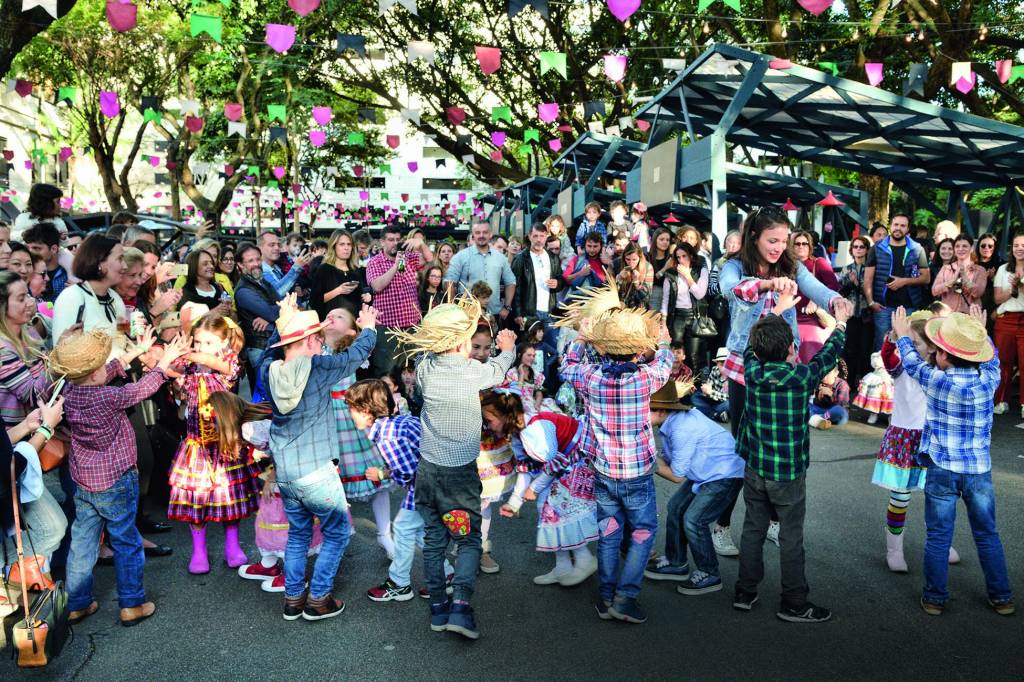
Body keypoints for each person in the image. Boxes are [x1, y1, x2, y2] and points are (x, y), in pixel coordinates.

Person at [717, 207, 845, 560]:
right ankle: (721, 523)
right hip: (746, 369)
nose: (778, 247)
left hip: (784, 366)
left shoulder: (791, 265)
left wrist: (835, 300)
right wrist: (768, 285)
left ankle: (773, 520)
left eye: (784, 240)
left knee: (781, 443)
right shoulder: (734, 265)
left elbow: (816, 288)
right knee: (743, 450)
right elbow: (730, 290)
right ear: (754, 236)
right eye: (772, 240)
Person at [391, 296, 516, 640]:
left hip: (428, 473)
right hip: (460, 476)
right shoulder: (472, 372)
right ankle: (460, 605)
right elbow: (499, 368)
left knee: (433, 540)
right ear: (462, 341)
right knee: (468, 539)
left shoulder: (426, 369)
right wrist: (507, 347)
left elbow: (429, 354)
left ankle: (438, 609)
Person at [53, 327, 189, 627]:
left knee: (83, 542)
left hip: (85, 481)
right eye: (102, 364)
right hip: (116, 479)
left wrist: (136, 352)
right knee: (126, 540)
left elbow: (105, 373)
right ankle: (132, 603)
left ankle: (77, 602)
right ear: (93, 374)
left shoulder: (70, 391)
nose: (107, 366)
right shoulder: (108, 397)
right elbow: (140, 390)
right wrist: (163, 364)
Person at [258, 293, 378, 622]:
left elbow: (276, 346)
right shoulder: (318, 368)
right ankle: (319, 598)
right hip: (316, 471)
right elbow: (356, 355)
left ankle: (294, 598)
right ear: (311, 340)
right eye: (318, 338)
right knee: (337, 532)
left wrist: (282, 322)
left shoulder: (268, 369)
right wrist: (368, 328)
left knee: (297, 533)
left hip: (286, 472)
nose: (321, 344)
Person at [733, 290, 850, 623]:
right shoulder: (802, 378)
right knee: (790, 537)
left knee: (753, 529)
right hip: (788, 475)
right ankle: (794, 602)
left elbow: (747, 343)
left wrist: (777, 308)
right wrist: (840, 324)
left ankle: (745, 591)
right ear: (791, 349)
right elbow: (828, 355)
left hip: (755, 468)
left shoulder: (752, 372)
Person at [890, 307, 1013, 617]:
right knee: (987, 534)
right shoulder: (988, 381)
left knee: (938, 535)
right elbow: (993, 360)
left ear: (943, 356)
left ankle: (934, 598)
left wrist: (904, 337)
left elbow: (913, 363)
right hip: (978, 471)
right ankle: (1002, 597)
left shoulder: (937, 380)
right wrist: (981, 334)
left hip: (942, 468)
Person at [560, 302, 673, 625]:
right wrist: (662, 339)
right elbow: (666, 360)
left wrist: (581, 338)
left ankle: (606, 596)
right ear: (637, 349)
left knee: (609, 532)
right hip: (637, 473)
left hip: (604, 470)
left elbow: (567, 365)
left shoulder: (590, 376)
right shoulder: (644, 379)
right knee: (642, 531)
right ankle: (626, 598)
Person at [166, 313, 254, 574]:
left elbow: (222, 367)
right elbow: (173, 377)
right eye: (199, 343)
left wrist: (193, 355)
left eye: (208, 342)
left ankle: (232, 546)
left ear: (224, 342)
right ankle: (199, 551)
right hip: (196, 444)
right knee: (197, 499)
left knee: (230, 498)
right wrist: (170, 367)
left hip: (225, 444)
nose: (202, 348)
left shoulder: (229, 361)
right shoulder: (189, 367)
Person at [873, 308, 958, 573]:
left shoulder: (940, 372)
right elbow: (888, 357)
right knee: (900, 498)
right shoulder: (901, 369)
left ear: (933, 347)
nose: (911, 346)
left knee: (938, 498)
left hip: (932, 442)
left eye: (917, 342)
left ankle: (941, 544)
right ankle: (894, 550)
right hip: (904, 441)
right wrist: (892, 338)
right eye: (908, 342)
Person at [487, 390, 599, 587]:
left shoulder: (532, 431)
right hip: (563, 463)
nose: (487, 425)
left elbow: (553, 463)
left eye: (489, 420)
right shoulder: (518, 433)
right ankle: (563, 566)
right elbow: (527, 469)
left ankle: (584, 559)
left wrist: (535, 488)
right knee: (547, 509)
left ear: (504, 416)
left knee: (555, 508)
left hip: (576, 459)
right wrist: (514, 503)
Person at [645, 380, 743, 595]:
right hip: (707, 472)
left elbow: (677, 476)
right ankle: (676, 562)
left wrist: (645, 458)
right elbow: (671, 462)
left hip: (724, 474)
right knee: (676, 507)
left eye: (644, 410)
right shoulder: (670, 422)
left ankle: (710, 574)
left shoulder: (681, 428)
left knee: (694, 520)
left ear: (660, 410)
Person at [348, 379, 433, 603]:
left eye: (352, 409)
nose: (350, 414)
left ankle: (400, 584)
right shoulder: (396, 423)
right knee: (419, 532)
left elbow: (408, 472)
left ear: (366, 413)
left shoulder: (388, 437)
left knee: (404, 528)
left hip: (425, 487)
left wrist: (383, 474)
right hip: (434, 483)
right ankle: (446, 575)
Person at [323, 307, 395, 559]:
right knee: (330, 487)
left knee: (376, 477)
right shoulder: (312, 348)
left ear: (352, 331)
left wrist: (368, 328)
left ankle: (385, 533)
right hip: (324, 425)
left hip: (352, 420)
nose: (332, 317)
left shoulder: (352, 351)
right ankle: (336, 538)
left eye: (340, 316)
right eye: (330, 314)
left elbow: (374, 356)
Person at [366, 225, 432, 377]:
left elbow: (429, 259)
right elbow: (377, 286)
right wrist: (396, 266)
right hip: (387, 327)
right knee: (386, 371)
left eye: (397, 239)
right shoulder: (375, 262)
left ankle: (409, 400)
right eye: (390, 240)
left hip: (411, 325)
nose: (395, 243)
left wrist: (421, 244)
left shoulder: (407, 257)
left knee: (413, 370)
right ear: (382, 242)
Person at [863, 213, 931, 350]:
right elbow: (867, 279)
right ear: (890, 226)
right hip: (883, 307)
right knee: (881, 346)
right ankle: (880, 371)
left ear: (908, 229)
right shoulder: (877, 248)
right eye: (896, 225)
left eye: (902, 225)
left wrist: (904, 281)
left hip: (909, 307)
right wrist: (871, 302)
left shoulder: (917, 249)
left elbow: (926, 278)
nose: (898, 228)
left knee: (908, 345)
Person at [52, 234, 127, 347]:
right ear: (99, 262)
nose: (125, 266)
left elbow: (123, 341)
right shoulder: (72, 297)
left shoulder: (115, 298)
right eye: (120, 259)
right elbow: (61, 352)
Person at [444, 221, 516, 324]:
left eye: (485, 232)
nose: (481, 235)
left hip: (494, 314)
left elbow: (511, 282)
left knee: (494, 340)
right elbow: (450, 282)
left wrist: (507, 307)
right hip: (467, 315)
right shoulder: (460, 257)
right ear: (473, 235)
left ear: (490, 234)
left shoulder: (500, 258)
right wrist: (453, 308)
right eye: (477, 232)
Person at [791, 230, 840, 363]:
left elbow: (834, 286)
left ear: (810, 246)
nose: (801, 246)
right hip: (790, 320)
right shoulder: (786, 266)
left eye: (805, 243)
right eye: (797, 243)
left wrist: (816, 300)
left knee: (812, 361)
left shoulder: (819, 263)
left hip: (813, 321)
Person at [661, 242, 709, 369]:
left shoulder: (701, 270)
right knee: (675, 352)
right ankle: (675, 382)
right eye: (678, 257)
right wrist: (663, 323)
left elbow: (699, 294)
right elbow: (665, 300)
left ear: (691, 256)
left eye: (684, 256)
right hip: (677, 316)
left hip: (695, 316)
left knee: (693, 355)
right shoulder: (671, 274)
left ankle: (694, 384)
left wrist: (688, 276)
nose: (681, 260)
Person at [992, 234, 1024, 416]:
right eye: (1016, 245)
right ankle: (1001, 400)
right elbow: (997, 298)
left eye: (1023, 245)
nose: (1019, 248)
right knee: (1003, 362)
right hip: (1005, 319)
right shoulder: (1004, 269)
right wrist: (1012, 289)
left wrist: (1020, 285)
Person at [838, 236, 874, 390]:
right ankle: (849, 384)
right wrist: (849, 283)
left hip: (866, 315)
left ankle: (865, 387)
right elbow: (841, 291)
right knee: (849, 349)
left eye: (861, 247)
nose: (858, 249)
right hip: (851, 314)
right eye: (855, 247)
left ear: (867, 249)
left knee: (865, 350)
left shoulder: (871, 268)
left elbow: (870, 291)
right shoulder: (846, 268)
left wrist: (857, 284)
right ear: (851, 250)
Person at [309, 229, 370, 320]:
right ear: (334, 246)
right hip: (330, 325)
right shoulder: (324, 269)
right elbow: (314, 302)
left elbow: (358, 301)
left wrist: (365, 297)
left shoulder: (355, 272)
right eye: (342, 244)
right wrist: (338, 290)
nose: (346, 248)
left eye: (349, 244)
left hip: (353, 325)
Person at [931, 234, 986, 314]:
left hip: (970, 316)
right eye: (957, 246)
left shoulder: (980, 270)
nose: (960, 249)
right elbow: (934, 291)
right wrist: (951, 282)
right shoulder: (946, 268)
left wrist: (965, 278)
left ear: (971, 249)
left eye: (964, 246)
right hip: (948, 315)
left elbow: (978, 292)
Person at [22, 222, 69, 302]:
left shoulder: (68, 274)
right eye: (27, 248)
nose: (30, 252)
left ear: (54, 249)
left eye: (36, 248)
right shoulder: (24, 271)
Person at [259, 232, 311, 299]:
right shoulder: (260, 269)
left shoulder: (278, 265)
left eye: (278, 245)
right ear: (259, 248)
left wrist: (300, 288)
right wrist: (297, 267)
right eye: (272, 245)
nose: (277, 248)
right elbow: (278, 292)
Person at [808, 359, 851, 429]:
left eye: (828, 373)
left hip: (833, 413)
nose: (824, 376)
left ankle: (818, 419)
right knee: (806, 405)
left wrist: (831, 395)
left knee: (839, 411)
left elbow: (842, 405)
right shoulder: (818, 381)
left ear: (836, 373)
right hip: (819, 410)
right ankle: (818, 420)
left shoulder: (842, 385)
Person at [692, 347, 729, 422]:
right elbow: (709, 385)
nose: (724, 368)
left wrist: (711, 392)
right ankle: (715, 414)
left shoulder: (733, 375)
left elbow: (730, 397)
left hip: (724, 402)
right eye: (722, 364)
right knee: (695, 396)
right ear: (717, 364)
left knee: (730, 404)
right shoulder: (715, 370)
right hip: (714, 400)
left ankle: (708, 412)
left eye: (727, 364)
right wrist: (705, 390)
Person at [646, 227, 675, 314]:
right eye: (661, 239)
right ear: (655, 240)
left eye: (667, 240)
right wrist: (665, 268)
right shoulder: (647, 257)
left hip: (670, 297)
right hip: (653, 295)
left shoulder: (671, 258)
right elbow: (652, 280)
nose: (665, 242)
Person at [616, 242, 653, 309]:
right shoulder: (616, 264)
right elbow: (608, 290)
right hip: (620, 310)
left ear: (640, 257)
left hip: (639, 311)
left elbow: (646, 297)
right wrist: (619, 278)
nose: (631, 263)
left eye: (634, 259)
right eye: (628, 259)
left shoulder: (648, 267)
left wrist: (636, 282)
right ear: (624, 257)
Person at [974, 234, 1002, 318]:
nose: (986, 248)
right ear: (978, 247)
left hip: (993, 306)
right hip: (974, 304)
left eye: (990, 246)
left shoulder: (1001, 265)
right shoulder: (972, 264)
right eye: (983, 245)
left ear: (995, 248)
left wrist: (993, 278)